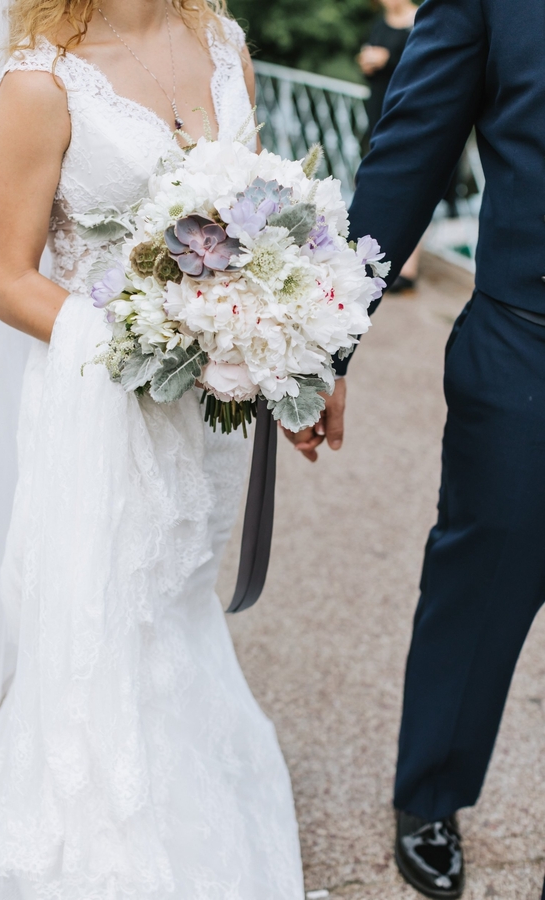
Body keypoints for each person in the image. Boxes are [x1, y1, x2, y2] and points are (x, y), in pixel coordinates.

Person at [0, 0, 305, 894]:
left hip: (206, 414)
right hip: (98, 408)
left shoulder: (225, 47)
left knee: (176, 605)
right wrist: (146, 339)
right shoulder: (38, 82)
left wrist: (296, 345)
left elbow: (261, 227)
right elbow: (3, 277)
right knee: (106, 619)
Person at [291, 0, 545, 895]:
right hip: (528, 345)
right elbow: (408, 157)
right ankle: (429, 793)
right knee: (480, 584)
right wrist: (323, 350)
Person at [358, 0, 419, 294]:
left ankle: (409, 266)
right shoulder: (381, 21)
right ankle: (377, 256)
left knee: (412, 186)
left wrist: (388, 59)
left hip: (406, 110)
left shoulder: (420, 18)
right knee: (377, 183)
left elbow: (420, 66)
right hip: (377, 110)